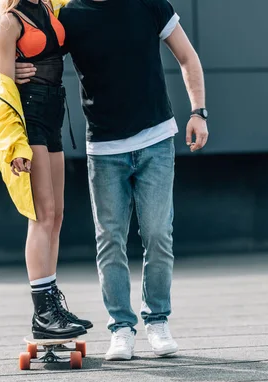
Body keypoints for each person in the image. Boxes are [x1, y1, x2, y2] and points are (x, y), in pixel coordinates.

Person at [16, 0, 209, 360]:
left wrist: (198, 111)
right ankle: (121, 327)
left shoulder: (149, 4)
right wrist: (12, 66)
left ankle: (157, 320)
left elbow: (187, 56)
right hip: (104, 147)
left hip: (156, 139)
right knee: (110, 240)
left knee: (157, 234)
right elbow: (39, 48)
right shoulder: (70, 15)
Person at [0, 0, 92, 340]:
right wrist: (14, 145)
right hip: (29, 117)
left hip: (53, 113)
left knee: (55, 216)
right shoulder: (8, 23)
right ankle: (43, 311)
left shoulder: (49, 7)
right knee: (41, 215)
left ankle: (51, 305)